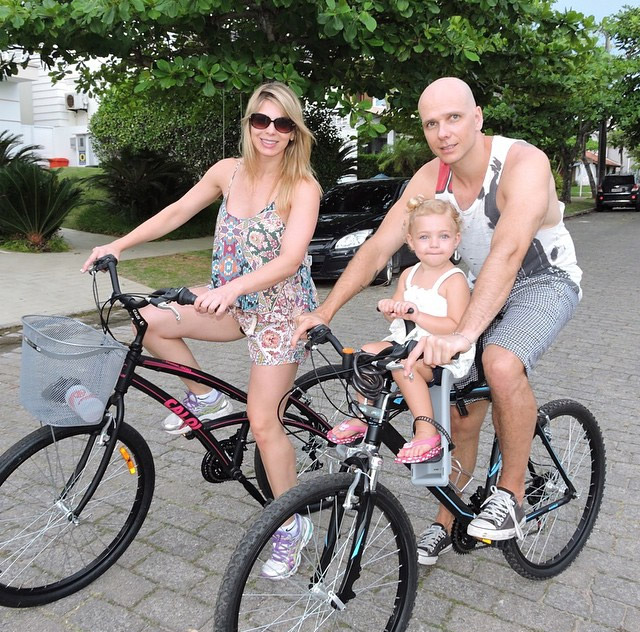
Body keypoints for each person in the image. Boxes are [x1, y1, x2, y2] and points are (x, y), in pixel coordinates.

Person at [293, 76, 582, 566]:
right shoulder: (431, 178)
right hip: (475, 287)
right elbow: (379, 247)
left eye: (453, 117)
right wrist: (325, 309)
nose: (443, 132)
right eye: (431, 123)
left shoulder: (521, 163)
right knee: (457, 412)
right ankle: (450, 520)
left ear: (477, 117)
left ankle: (508, 496)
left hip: (542, 281)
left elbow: (509, 250)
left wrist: (468, 333)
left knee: (501, 363)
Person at [82, 81, 321, 579]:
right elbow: (176, 212)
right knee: (146, 317)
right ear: (248, 123)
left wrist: (233, 289)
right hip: (228, 304)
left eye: (281, 123)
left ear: (294, 131)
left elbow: (291, 259)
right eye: (261, 120)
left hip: (280, 313)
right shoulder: (227, 173)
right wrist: (118, 245)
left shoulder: (303, 187)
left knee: (263, 421)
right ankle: (204, 399)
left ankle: (292, 523)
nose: (270, 132)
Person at [327, 196, 473, 465]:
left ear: (456, 240)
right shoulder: (408, 274)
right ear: (411, 241)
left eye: (443, 236)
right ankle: (364, 415)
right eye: (425, 237)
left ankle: (427, 431)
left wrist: (417, 314)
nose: (433, 244)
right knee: (366, 355)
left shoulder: (454, 280)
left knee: (403, 367)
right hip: (406, 341)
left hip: (440, 350)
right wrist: (389, 307)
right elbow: (396, 312)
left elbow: (456, 325)